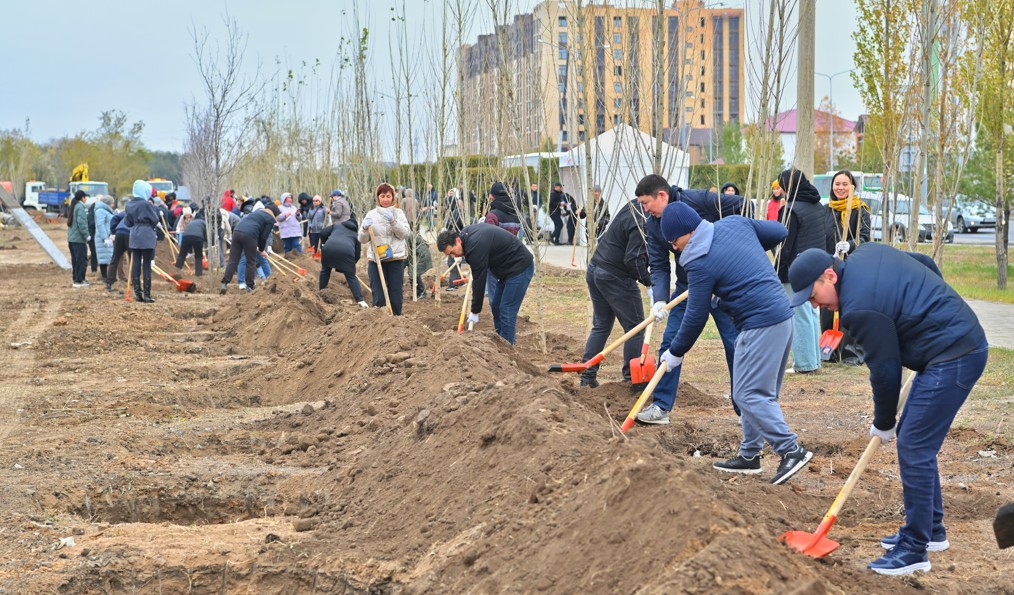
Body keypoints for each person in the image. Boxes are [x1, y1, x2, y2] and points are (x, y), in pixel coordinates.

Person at [788, 245, 988, 574]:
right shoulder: (866, 253)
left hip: (955, 354)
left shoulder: (859, 308)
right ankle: (933, 529)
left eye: (813, 295)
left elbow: (885, 371)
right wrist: (932, 309)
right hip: (949, 345)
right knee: (916, 441)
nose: (814, 304)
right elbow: (923, 262)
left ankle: (914, 549)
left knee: (914, 444)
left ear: (830, 276)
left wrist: (883, 422)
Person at [659, 201, 812, 484]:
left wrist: (675, 352)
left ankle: (791, 450)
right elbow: (779, 230)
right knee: (756, 393)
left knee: (748, 395)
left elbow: (695, 316)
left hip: (761, 324)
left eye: (674, 240)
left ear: (689, 231)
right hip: (779, 317)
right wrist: (745, 253)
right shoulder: (735, 224)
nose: (673, 247)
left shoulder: (699, 260)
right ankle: (750, 455)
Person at [633, 174, 749, 425]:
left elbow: (745, 205)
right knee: (670, 344)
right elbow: (659, 265)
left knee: (736, 346)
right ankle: (661, 407)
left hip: (722, 286)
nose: (644, 209)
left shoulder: (699, 200)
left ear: (661, 196)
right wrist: (660, 298)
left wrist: (729, 243)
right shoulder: (653, 224)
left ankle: (748, 411)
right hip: (689, 287)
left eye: (645, 203)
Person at [578, 197, 651, 389]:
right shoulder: (643, 220)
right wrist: (650, 283)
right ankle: (632, 380)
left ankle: (587, 377)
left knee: (601, 325)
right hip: (615, 275)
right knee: (635, 327)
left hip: (595, 268)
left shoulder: (634, 204)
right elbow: (633, 259)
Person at [775, 168, 837, 374]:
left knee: (798, 315)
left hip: (795, 270)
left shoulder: (790, 210)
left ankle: (804, 364)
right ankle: (813, 359)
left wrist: (777, 269)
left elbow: (785, 246)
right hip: (817, 267)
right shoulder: (817, 205)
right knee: (810, 314)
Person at [438, 224, 534, 345]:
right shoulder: (466, 236)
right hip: (506, 270)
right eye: (449, 255)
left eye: (452, 252)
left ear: (457, 240)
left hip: (520, 267)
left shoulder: (475, 246)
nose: (453, 256)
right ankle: (501, 342)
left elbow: (479, 279)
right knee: (496, 306)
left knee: (506, 309)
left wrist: (475, 311)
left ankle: (508, 348)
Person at [824, 170, 873, 365]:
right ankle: (829, 351)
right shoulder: (826, 209)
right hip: (829, 265)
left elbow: (865, 238)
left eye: (845, 184)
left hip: (852, 265)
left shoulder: (860, 210)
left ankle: (851, 352)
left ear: (852, 186)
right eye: (837, 184)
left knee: (849, 307)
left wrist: (850, 245)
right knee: (827, 307)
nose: (840, 188)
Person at [359, 183, 410, 314]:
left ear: (393, 197)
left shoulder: (398, 214)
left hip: (395, 259)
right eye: (382, 196)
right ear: (378, 197)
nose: (386, 199)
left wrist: (394, 222)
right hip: (376, 261)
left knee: (395, 296)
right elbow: (362, 239)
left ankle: (397, 321)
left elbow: (405, 234)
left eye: (388, 196)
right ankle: (379, 324)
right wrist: (364, 228)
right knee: (379, 297)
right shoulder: (371, 214)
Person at [220, 202, 280, 293]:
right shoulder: (270, 219)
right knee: (250, 261)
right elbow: (263, 237)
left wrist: (260, 248)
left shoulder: (257, 213)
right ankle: (249, 286)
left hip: (237, 232)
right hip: (250, 236)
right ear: (274, 213)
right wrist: (262, 250)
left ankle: (224, 283)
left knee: (233, 260)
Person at [319, 219, 369, 308]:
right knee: (351, 276)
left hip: (328, 249)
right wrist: (350, 267)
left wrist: (323, 244)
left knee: (325, 270)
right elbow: (357, 255)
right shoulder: (356, 235)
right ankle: (360, 300)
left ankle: (321, 292)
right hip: (346, 253)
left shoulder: (336, 226)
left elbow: (322, 233)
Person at [125, 180, 160, 303]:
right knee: (146, 264)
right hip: (146, 234)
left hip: (134, 234)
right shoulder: (147, 204)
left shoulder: (129, 205)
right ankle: (147, 294)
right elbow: (155, 220)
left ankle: (138, 294)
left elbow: (127, 222)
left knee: (135, 262)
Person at [67, 190, 90, 288]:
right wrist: (87, 235)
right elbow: (81, 223)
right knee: (82, 260)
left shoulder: (74, 206)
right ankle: (79, 280)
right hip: (78, 239)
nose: (86, 199)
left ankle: (76, 279)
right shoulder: (80, 207)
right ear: (82, 198)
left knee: (75, 260)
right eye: (85, 197)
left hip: (72, 239)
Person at [105, 205, 131, 292]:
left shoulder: (125, 212)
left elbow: (114, 218)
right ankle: (134, 281)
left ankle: (109, 282)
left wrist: (113, 231)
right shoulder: (138, 213)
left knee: (115, 257)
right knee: (133, 259)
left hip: (119, 233)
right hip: (129, 234)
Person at [177, 208, 207, 277]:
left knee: (182, 254)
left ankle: (177, 270)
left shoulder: (192, 222)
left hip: (186, 236)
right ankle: (198, 274)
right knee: (198, 256)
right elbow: (205, 236)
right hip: (198, 238)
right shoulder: (204, 223)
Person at [93, 196, 116, 284]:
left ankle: (109, 278)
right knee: (104, 259)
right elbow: (100, 225)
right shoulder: (100, 211)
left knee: (108, 258)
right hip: (102, 239)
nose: (113, 205)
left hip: (108, 237)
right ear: (108, 203)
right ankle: (105, 278)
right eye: (112, 203)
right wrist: (105, 238)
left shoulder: (105, 210)